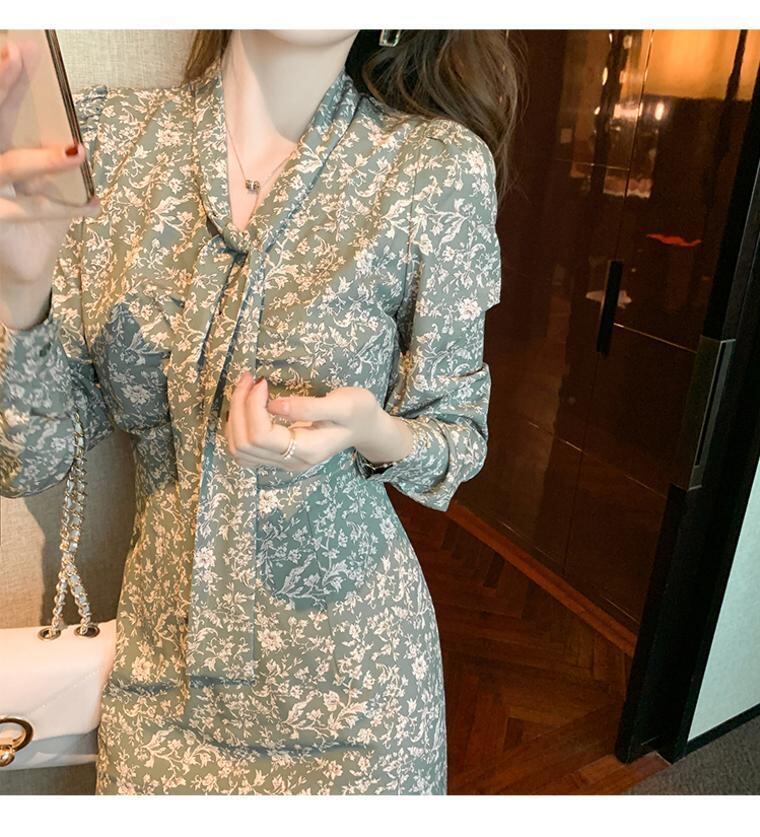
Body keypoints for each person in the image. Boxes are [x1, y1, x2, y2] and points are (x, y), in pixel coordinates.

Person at [0, 29, 522, 794]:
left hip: (361, 702)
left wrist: (371, 430)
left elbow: (459, 438)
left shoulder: (434, 168)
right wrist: (20, 293)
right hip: (162, 692)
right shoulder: (110, 142)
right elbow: (29, 460)